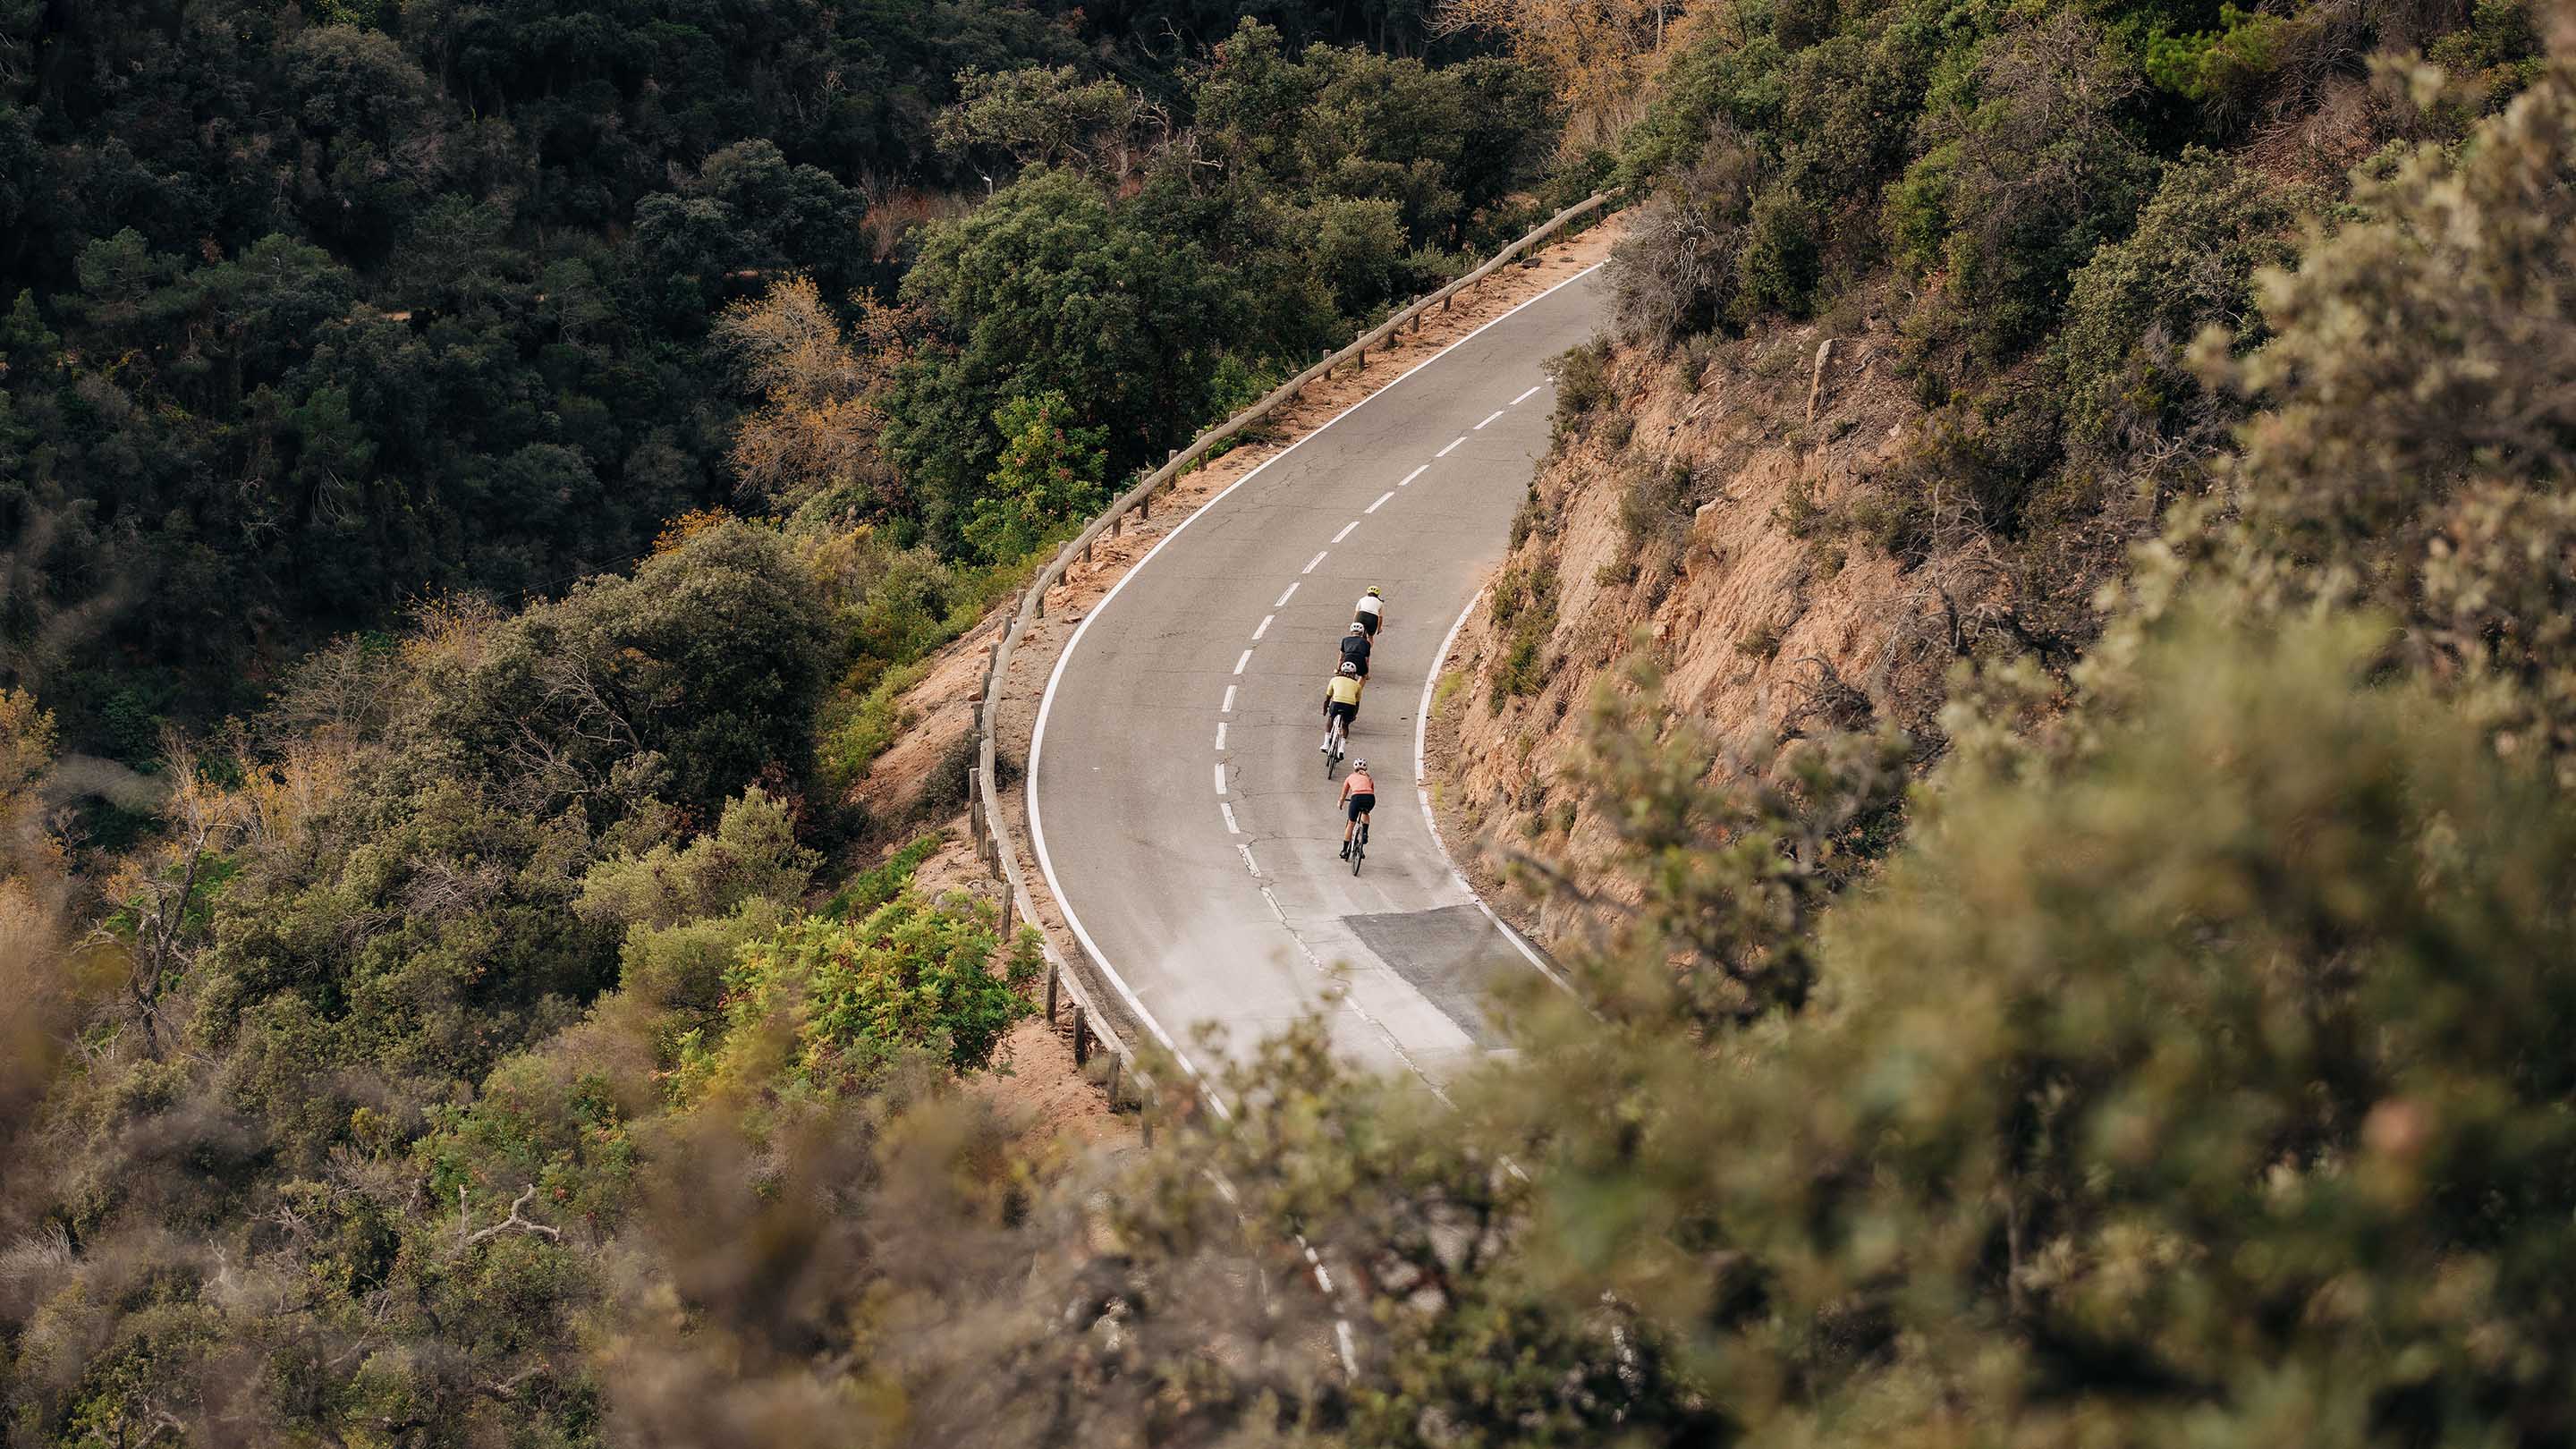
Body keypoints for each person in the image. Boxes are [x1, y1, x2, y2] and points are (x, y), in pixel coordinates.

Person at [1321, 661, 1362, 753]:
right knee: (1345, 725)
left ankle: (1326, 744)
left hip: (1336, 703)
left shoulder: (1334, 679)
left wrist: (1324, 710)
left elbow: (1327, 698)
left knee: (1331, 719)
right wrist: (1353, 716)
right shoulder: (1357, 685)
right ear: (1354, 674)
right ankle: (1341, 749)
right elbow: (1357, 703)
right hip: (1350, 706)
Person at [1339, 759, 1376, 858]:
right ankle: (1364, 833)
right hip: (1370, 798)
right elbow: (1371, 791)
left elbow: (1344, 793)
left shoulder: (1350, 777)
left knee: (1351, 823)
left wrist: (1340, 803)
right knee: (1365, 813)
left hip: (1357, 798)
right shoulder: (1369, 778)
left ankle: (1344, 850)